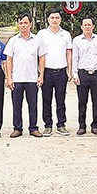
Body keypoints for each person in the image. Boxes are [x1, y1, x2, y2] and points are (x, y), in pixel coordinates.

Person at [4, 13, 47, 138]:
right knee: (16, 105)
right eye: (21, 23)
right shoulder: (13, 41)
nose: (23, 25)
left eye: (25, 23)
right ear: (18, 25)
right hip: (17, 78)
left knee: (33, 104)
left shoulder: (38, 40)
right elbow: (9, 60)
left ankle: (33, 128)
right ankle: (17, 128)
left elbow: (42, 58)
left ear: (30, 24)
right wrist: (9, 77)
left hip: (32, 78)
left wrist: (41, 75)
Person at [36, 8, 72, 136]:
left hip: (61, 71)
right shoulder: (41, 34)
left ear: (60, 19)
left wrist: (70, 70)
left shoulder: (66, 34)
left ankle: (61, 124)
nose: (55, 20)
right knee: (46, 99)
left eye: (57, 18)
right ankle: (48, 125)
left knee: (60, 99)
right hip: (46, 72)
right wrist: (40, 73)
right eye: (52, 18)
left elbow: (69, 53)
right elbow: (39, 54)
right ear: (48, 19)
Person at [71, 17, 97, 135]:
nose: (87, 27)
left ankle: (95, 126)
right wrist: (74, 74)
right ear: (81, 27)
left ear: (93, 26)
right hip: (82, 74)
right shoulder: (76, 40)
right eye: (85, 25)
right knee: (82, 102)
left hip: (96, 73)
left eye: (89, 25)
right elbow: (74, 58)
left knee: (96, 102)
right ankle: (82, 126)